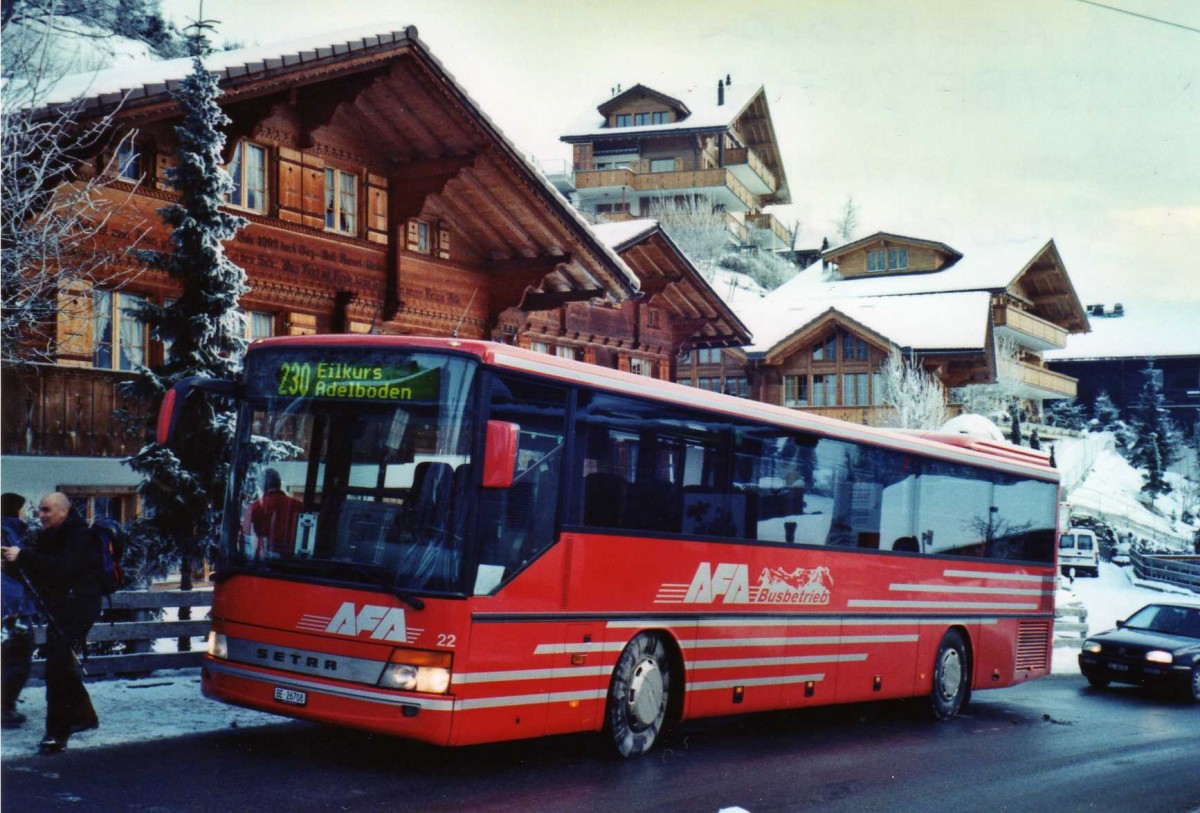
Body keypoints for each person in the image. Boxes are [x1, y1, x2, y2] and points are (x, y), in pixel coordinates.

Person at [0, 492, 101, 754]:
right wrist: (10, 565)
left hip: (78, 608)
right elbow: (40, 572)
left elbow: (63, 568)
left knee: (57, 666)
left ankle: (56, 734)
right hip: (61, 607)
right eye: (40, 510)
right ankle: (84, 716)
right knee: (62, 664)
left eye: (47, 510)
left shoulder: (80, 536)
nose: (41, 514)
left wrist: (23, 556)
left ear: (63, 512)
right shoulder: (50, 536)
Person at [2, 493, 37, 728]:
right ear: (17, 510)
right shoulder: (11, 532)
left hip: (10, 605)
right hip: (14, 607)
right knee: (18, 659)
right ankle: (5, 708)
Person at [249, 469, 302, 558]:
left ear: (261, 486)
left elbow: (247, 538)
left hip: (262, 561)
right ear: (279, 483)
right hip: (293, 562)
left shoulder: (254, 508)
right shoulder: (299, 506)